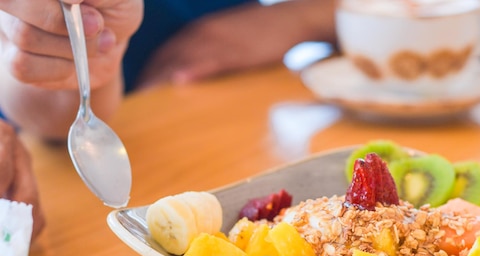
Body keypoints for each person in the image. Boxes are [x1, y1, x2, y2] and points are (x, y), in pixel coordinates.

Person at [0, 0, 337, 239]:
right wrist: (84, 61)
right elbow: (43, 107)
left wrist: (300, 14)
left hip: (232, 131)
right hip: (83, 165)